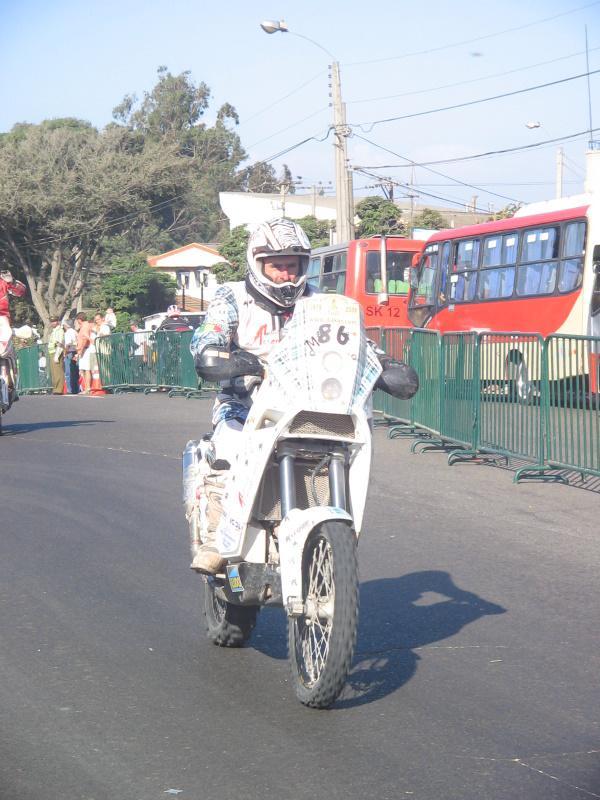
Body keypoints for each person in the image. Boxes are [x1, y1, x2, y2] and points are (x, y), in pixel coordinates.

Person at [188, 218, 317, 573]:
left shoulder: (319, 303)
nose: (286, 275)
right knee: (229, 446)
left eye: (292, 266)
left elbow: (350, 339)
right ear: (258, 264)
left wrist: (382, 361)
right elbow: (209, 333)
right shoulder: (232, 296)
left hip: (306, 406)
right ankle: (216, 536)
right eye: (278, 266)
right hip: (243, 405)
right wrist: (216, 352)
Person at [0, 269, 27, 391]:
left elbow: (21, 291)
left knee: (6, 351)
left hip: (2, 319)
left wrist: (12, 281)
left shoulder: (3, 280)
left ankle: (10, 384)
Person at [74, 312, 93, 394]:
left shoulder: (85, 326)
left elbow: (85, 339)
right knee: (84, 370)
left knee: (86, 369)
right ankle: (87, 388)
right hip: (84, 349)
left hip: (85, 349)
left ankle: (88, 388)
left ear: (79, 320)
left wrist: (80, 350)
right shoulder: (85, 325)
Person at [46, 317, 65, 395]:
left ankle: (59, 389)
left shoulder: (59, 331)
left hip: (56, 352)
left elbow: (60, 344)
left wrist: (57, 355)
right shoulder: (54, 331)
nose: (53, 323)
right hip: (52, 352)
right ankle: (56, 388)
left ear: (58, 322)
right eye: (51, 321)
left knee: (58, 372)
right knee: (54, 373)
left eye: (54, 321)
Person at [62, 319, 79, 394]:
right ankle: (76, 388)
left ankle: (70, 389)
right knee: (75, 371)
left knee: (69, 372)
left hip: (70, 352)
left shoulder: (68, 333)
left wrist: (65, 352)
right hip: (75, 351)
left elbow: (68, 344)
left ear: (66, 325)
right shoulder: (74, 331)